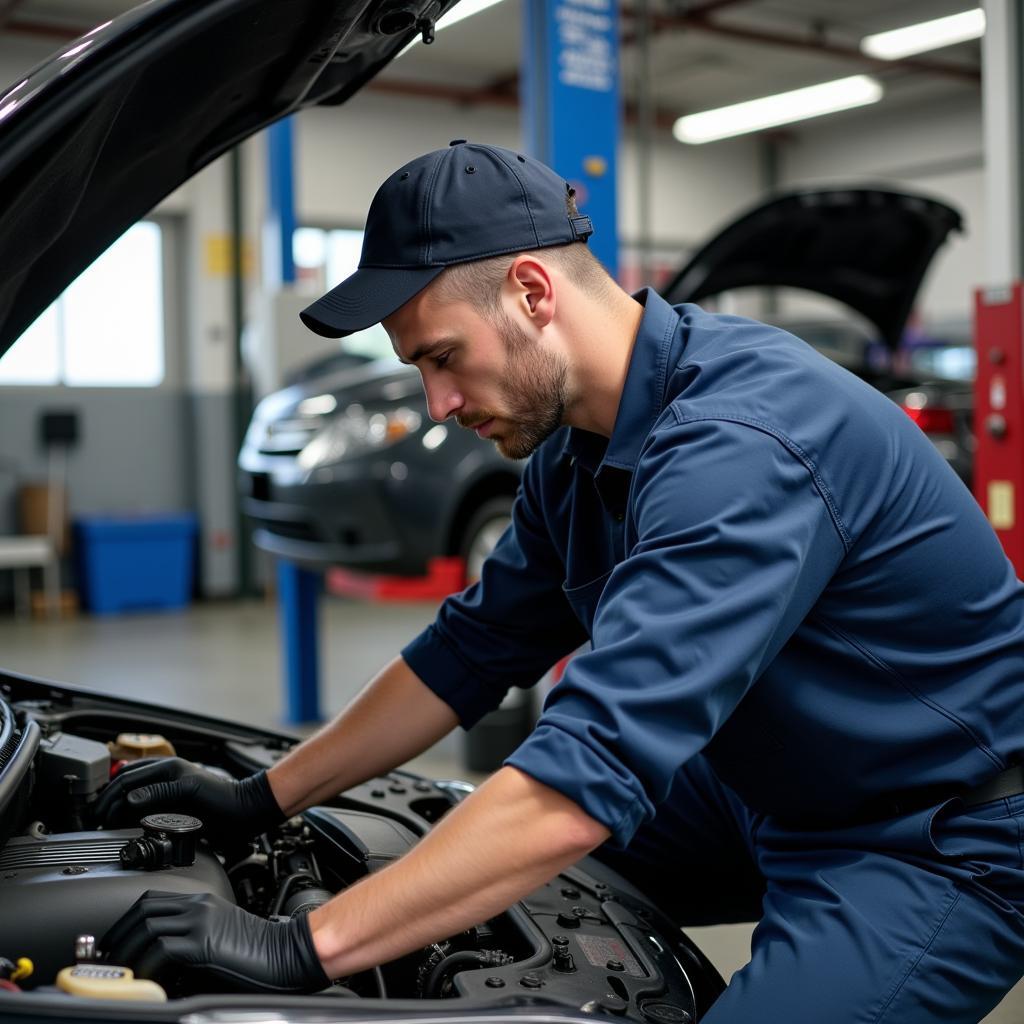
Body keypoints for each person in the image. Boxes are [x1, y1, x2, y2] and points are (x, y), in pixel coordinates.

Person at [98, 141, 1024, 1022]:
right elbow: (465, 652)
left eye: (443, 357)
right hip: (771, 778)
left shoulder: (741, 448)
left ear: (532, 291)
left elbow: (590, 771)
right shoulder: (574, 455)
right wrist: (261, 797)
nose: (439, 405)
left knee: (521, 841)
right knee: (450, 872)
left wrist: (300, 947)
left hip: (935, 831)